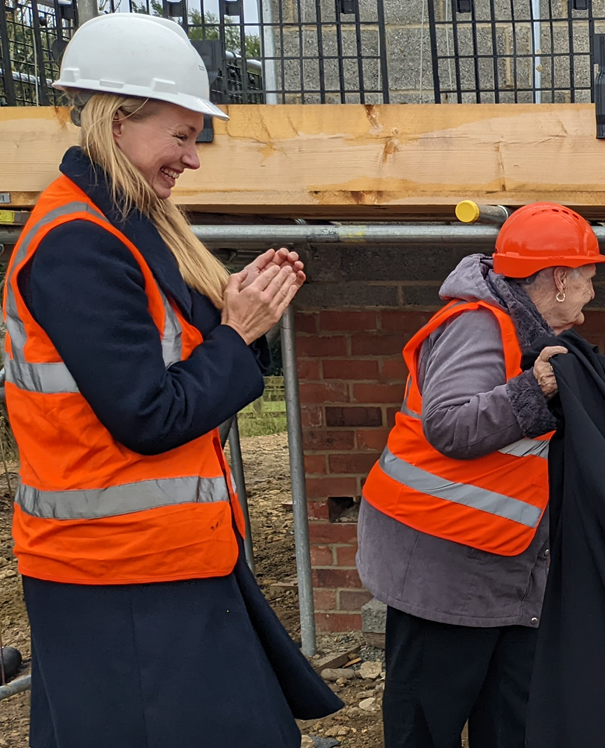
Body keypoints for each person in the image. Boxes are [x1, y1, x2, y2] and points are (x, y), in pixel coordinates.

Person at [7, 12, 341, 747]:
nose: (191, 159)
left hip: (153, 562)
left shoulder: (120, 226)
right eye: (181, 136)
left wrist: (227, 309)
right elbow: (149, 415)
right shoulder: (79, 247)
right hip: (118, 575)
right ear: (116, 124)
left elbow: (172, 359)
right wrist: (237, 332)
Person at [358, 202, 605, 748]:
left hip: (504, 567)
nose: (591, 292)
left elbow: (558, 378)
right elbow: (451, 426)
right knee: (426, 721)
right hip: (443, 564)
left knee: (512, 717)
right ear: (557, 279)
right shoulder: (477, 327)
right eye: (588, 278)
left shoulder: (518, 327)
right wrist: (542, 388)